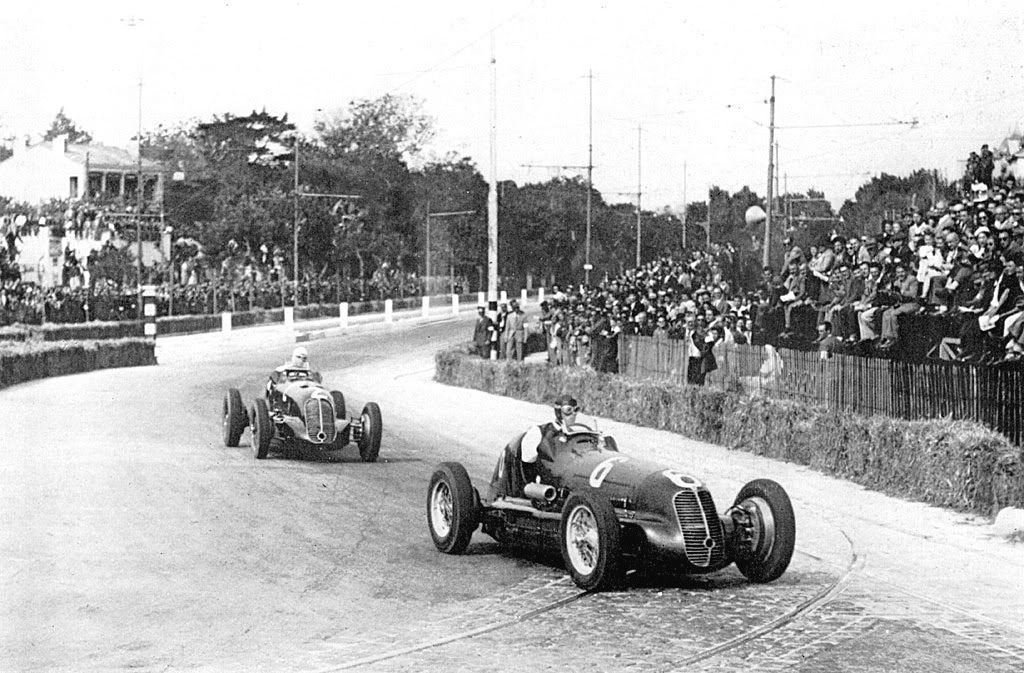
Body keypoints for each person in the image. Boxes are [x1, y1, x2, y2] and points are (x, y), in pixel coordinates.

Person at [520, 395, 581, 485]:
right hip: (544, 487)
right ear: (559, 412)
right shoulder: (540, 432)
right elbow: (527, 463)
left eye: (576, 410)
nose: (574, 414)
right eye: (568, 410)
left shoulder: (574, 435)